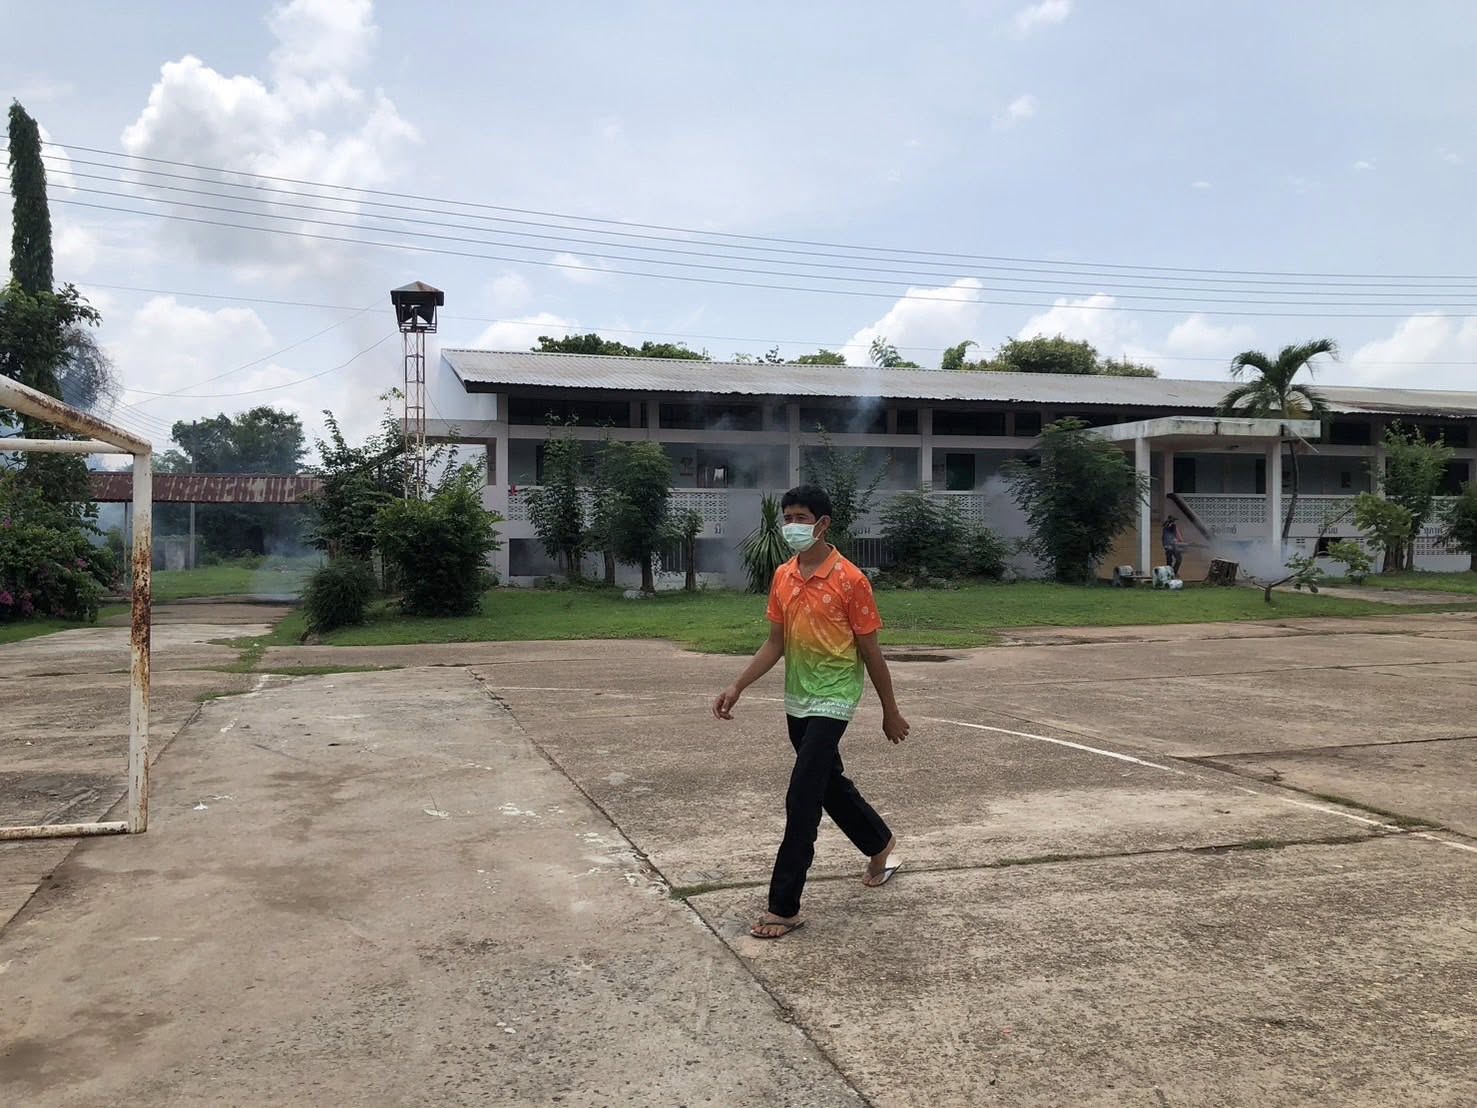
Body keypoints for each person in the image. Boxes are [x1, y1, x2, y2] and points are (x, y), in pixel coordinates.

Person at [713, 484, 909, 940]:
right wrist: (738, 685)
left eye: (801, 518)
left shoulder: (851, 580)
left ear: (823, 524)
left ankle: (783, 906)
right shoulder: (784, 576)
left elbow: (871, 651)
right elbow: (775, 643)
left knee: (802, 795)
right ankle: (880, 844)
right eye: (787, 518)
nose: (792, 526)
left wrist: (890, 710)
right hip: (797, 698)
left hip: (835, 697)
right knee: (828, 784)